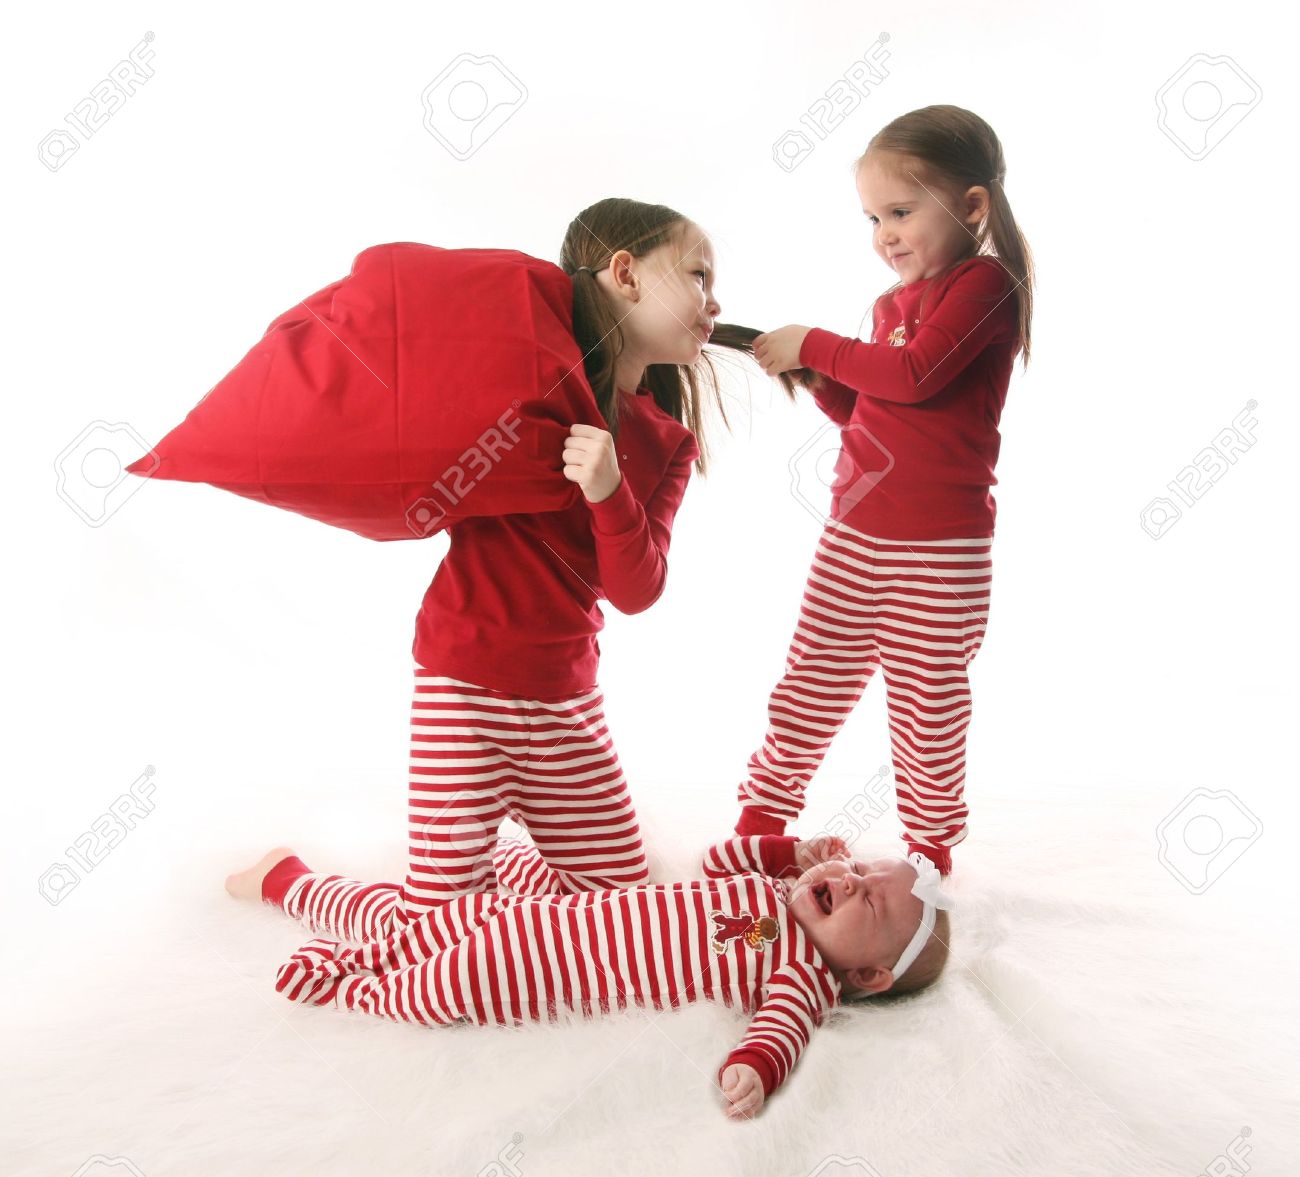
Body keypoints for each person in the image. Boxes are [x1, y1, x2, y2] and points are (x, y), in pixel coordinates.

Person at [226, 197, 795, 941]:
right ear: (626, 273)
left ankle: (509, 871)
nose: (714, 301)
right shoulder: (529, 389)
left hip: (566, 704)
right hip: (465, 686)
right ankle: (287, 879)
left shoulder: (668, 441)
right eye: (698, 275)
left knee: (623, 910)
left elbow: (636, 589)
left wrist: (609, 491)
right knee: (435, 934)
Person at [738, 105, 1037, 875]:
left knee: (926, 704)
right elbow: (872, 409)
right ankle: (758, 822)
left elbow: (916, 375)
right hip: (853, 531)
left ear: (973, 205)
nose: (885, 234)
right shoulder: (887, 307)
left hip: (941, 548)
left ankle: (929, 855)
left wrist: (817, 344)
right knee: (811, 677)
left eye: (901, 212)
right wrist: (816, 377)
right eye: (873, 218)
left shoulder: (984, 285)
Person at [236, 835, 953, 1120]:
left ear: (869, 973)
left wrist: (756, 1068)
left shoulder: (801, 967)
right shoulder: (775, 894)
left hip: (538, 966)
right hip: (552, 909)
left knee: (435, 984)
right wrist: (787, 849)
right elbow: (714, 861)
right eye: (862, 868)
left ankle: (346, 979)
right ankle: (290, 882)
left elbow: (782, 1027)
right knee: (412, 917)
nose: (851, 880)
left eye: (871, 901)